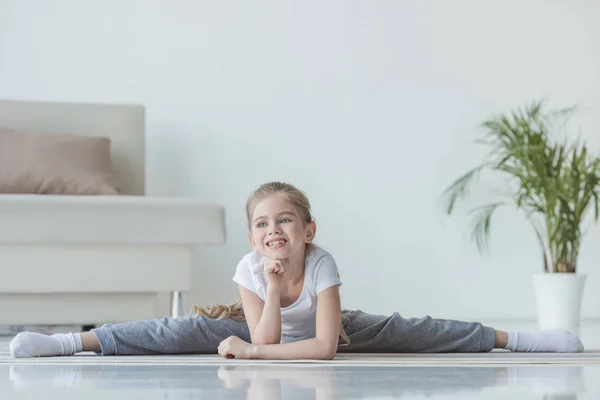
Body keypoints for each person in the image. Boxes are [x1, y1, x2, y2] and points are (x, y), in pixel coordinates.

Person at [9, 182, 584, 359]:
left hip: (326, 330)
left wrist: (255, 354)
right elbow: (262, 334)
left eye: (286, 222)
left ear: (309, 231)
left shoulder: (323, 264)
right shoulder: (249, 266)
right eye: (263, 225)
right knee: (172, 331)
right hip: (261, 323)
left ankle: (517, 339)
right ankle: (71, 342)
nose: (274, 232)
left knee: (411, 328)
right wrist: (268, 285)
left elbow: (327, 347)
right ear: (254, 236)